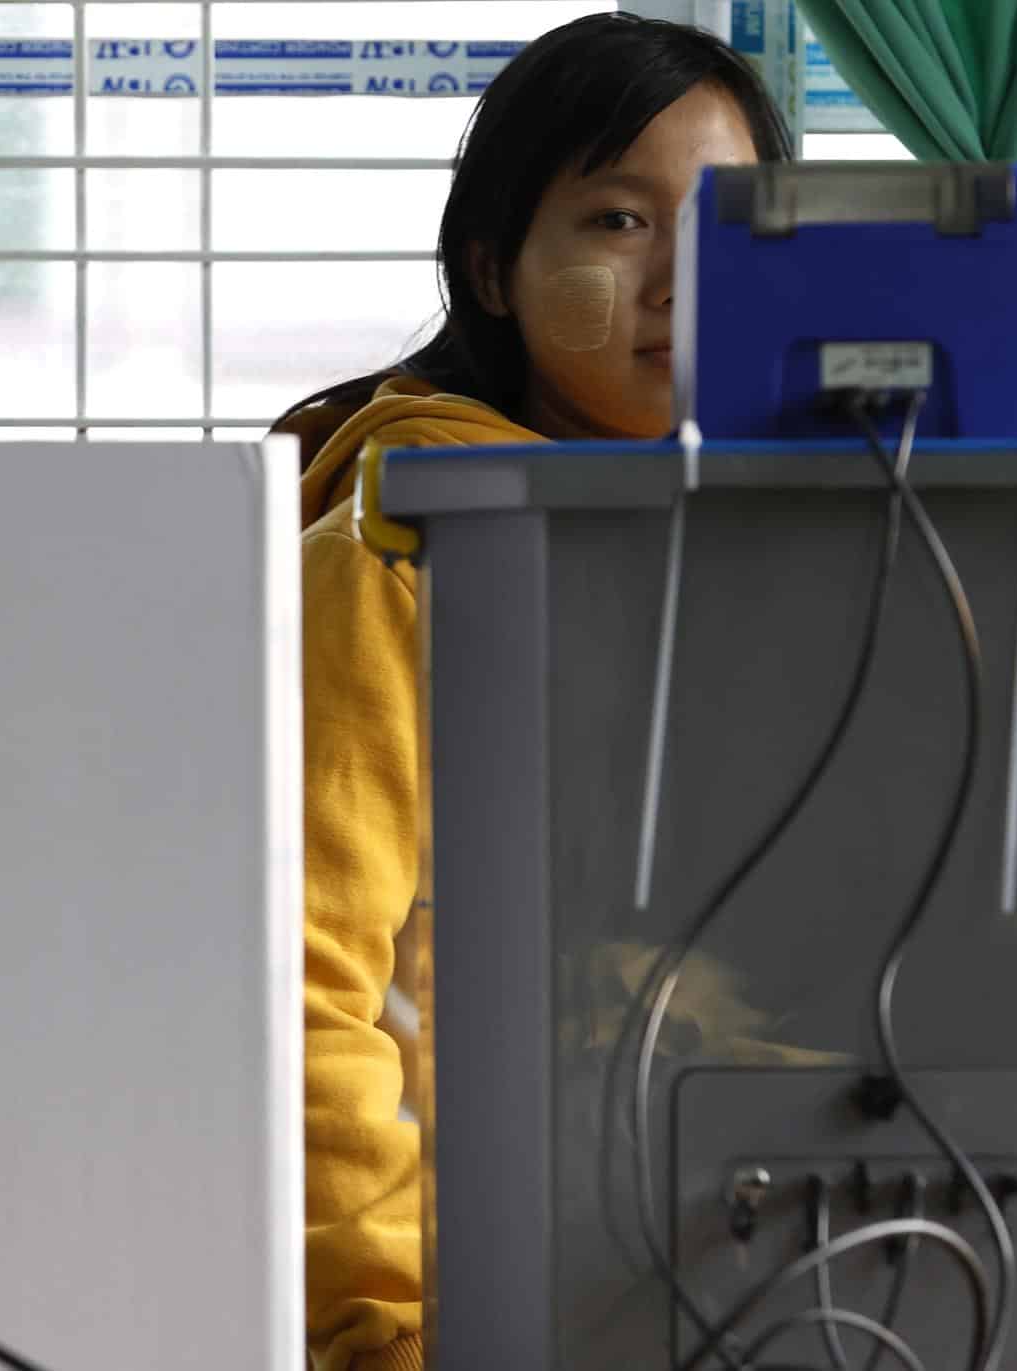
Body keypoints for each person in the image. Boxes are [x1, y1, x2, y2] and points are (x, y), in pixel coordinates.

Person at [271, 16, 793, 1371]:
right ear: (493, 271)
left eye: (730, 223)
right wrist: (385, 1336)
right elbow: (301, 992)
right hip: (477, 1302)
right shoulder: (396, 563)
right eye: (619, 221)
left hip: (724, 1263)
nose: (682, 279)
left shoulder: (806, 549)